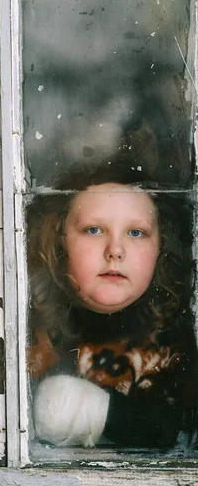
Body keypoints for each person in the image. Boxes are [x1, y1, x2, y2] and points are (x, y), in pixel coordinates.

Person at [28, 166, 197, 449]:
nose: (115, 250)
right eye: (93, 230)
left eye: (136, 232)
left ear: (161, 247)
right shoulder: (26, 331)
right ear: (59, 240)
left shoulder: (182, 340)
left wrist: (105, 413)